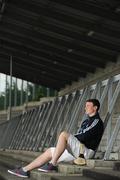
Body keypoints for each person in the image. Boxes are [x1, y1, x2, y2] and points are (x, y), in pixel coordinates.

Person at [8, 99, 104, 178]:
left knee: (63, 134)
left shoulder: (96, 121)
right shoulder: (85, 122)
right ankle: (24, 170)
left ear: (95, 108)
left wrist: (68, 139)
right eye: (85, 105)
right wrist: (68, 141)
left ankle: (52, 164)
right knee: (51, 151)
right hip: (77, 151)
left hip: (85, 152)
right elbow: (80, 135)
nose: (85, 108)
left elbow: (84, 136)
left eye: (88, 105)